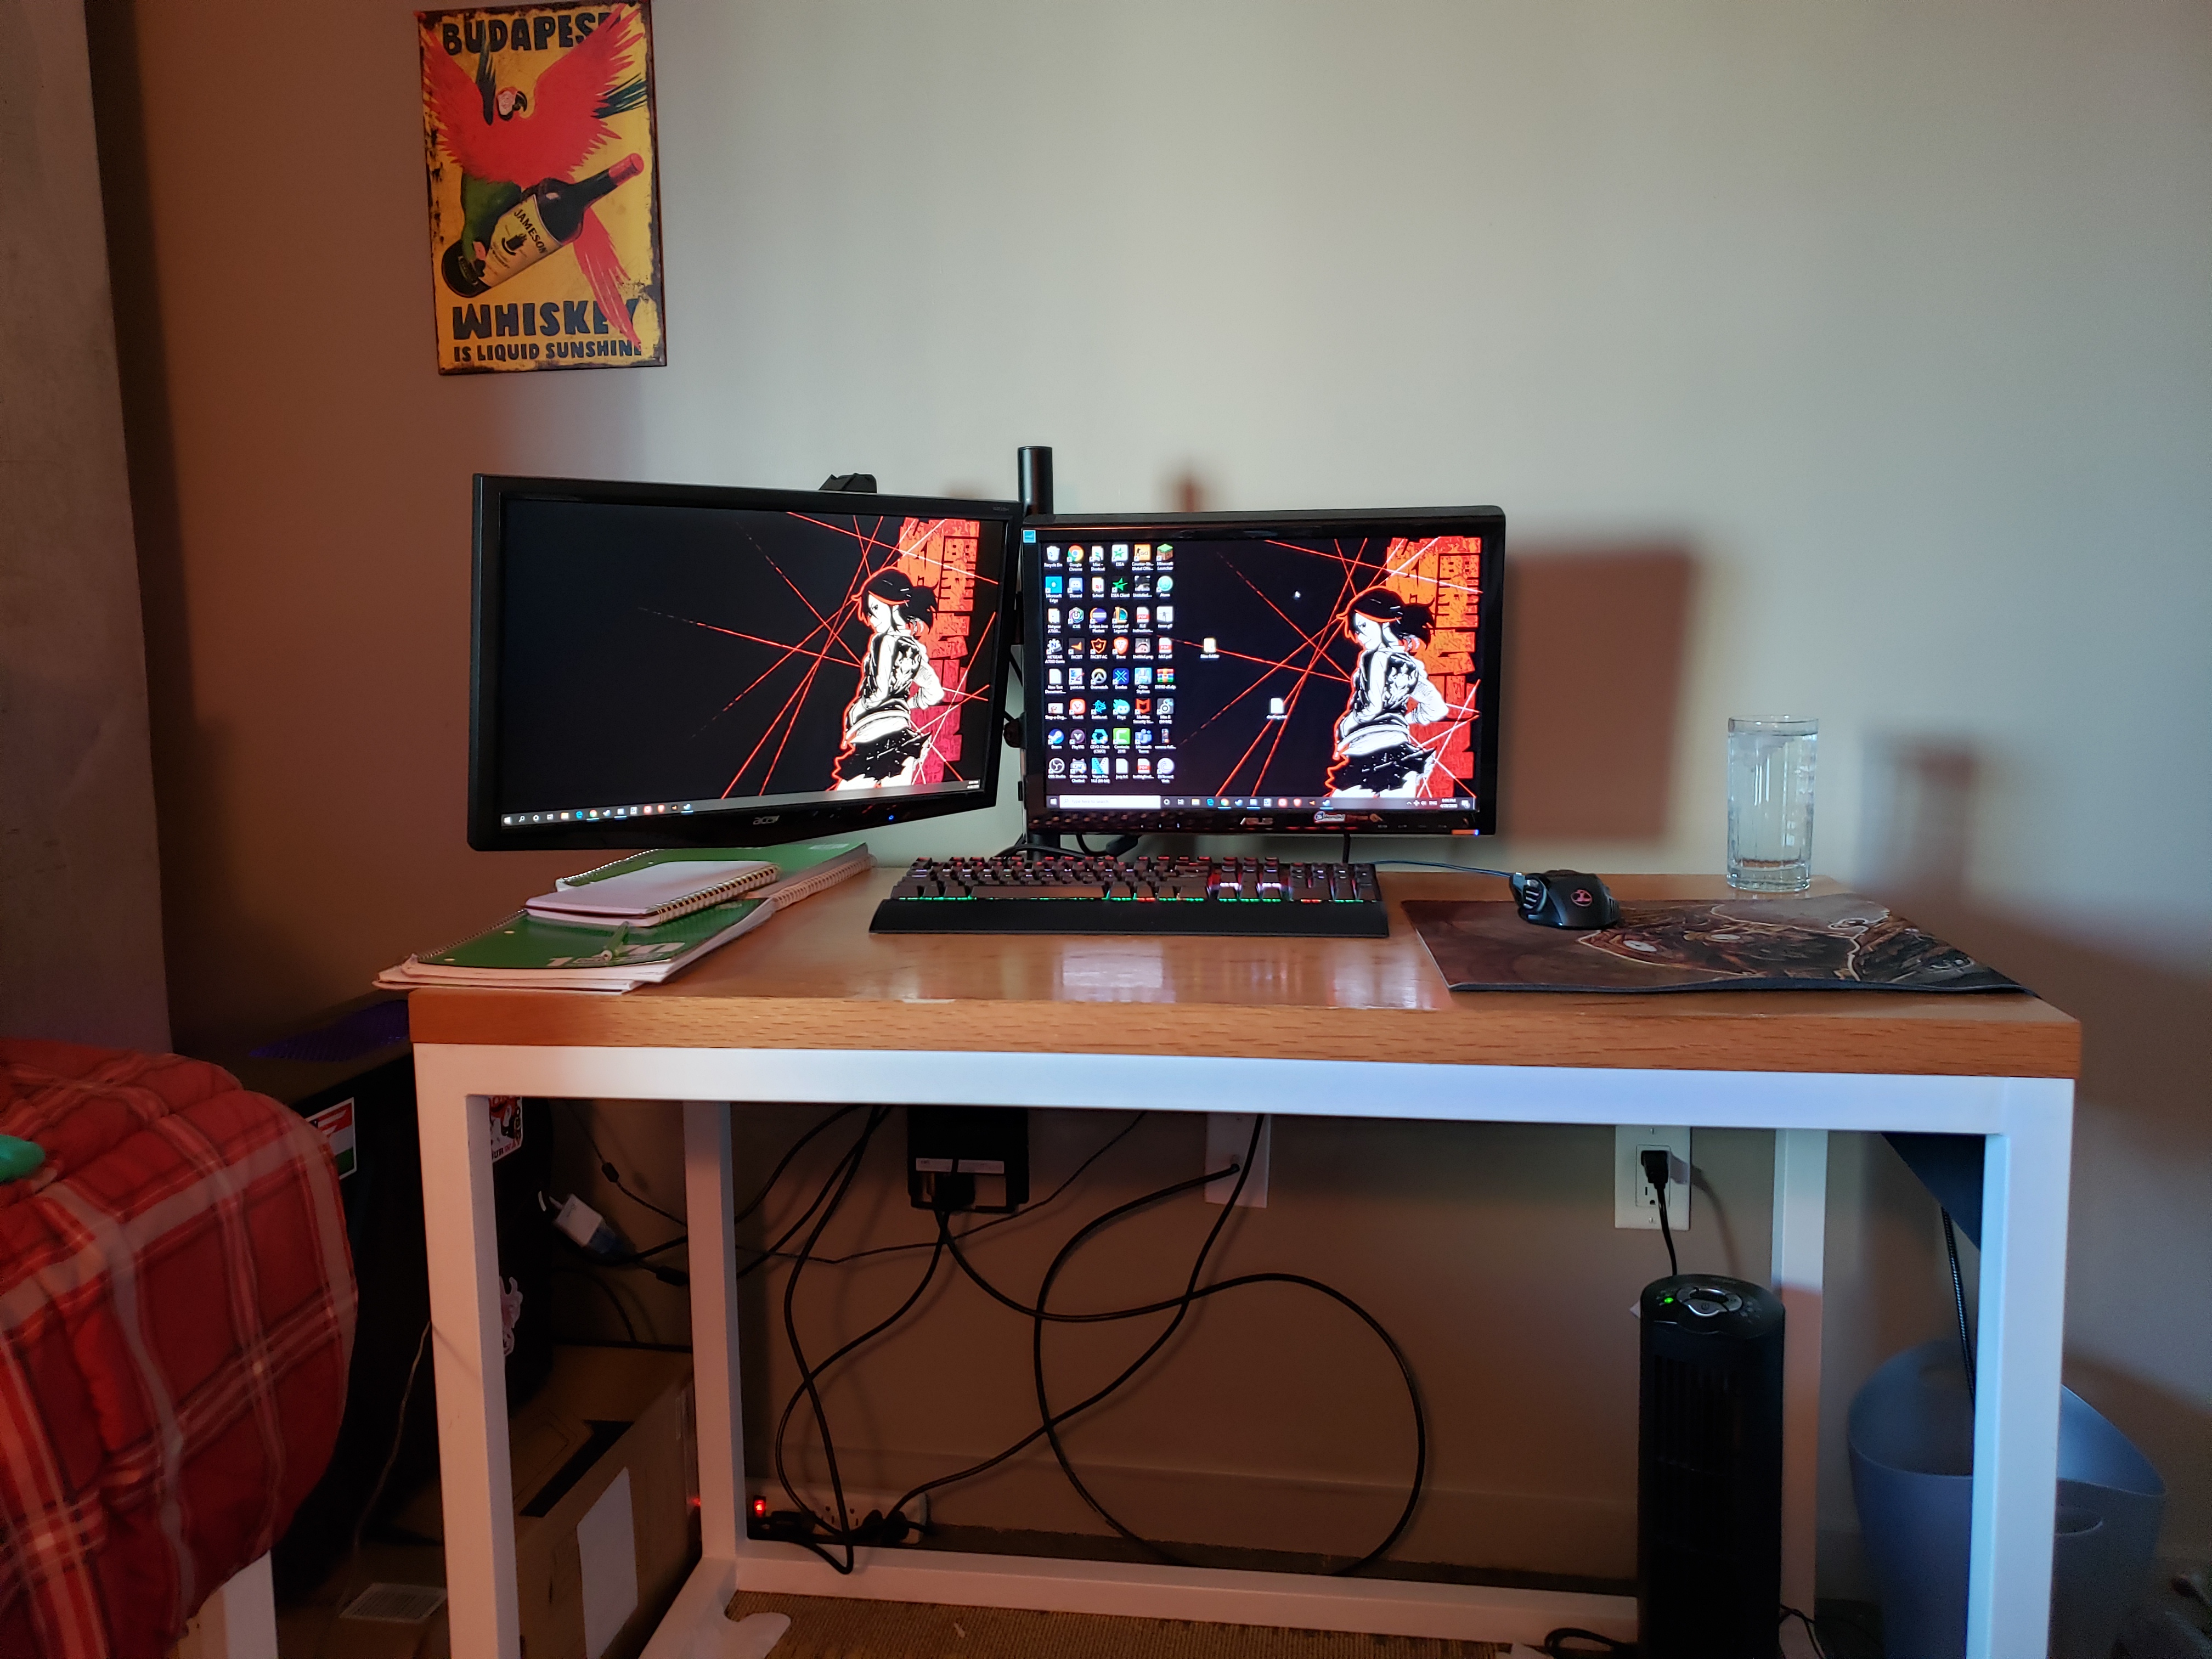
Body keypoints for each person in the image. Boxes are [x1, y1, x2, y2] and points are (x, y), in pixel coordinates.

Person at [1327, 588, 1446, 799]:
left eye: (1363, 626)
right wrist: (1405, 720)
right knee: (1399, 814)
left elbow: (1372, 707)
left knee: (1335, 812)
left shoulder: (1374, 658)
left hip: (1367, 751)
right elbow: (1437, 708)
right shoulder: (1411, 666)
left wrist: (1348, 723)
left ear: (1385, 621)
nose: (1359, 636)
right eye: (1357, 629)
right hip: (1401, 752)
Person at [833, 568, 944, 788]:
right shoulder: (915, 649)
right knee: (895, 800)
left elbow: (880, 692)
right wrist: (908, 704)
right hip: (902, 735)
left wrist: (860, 707)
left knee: (843, 799)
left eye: (875, 608)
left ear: (895, 605)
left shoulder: (883, 641)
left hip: (874, 736)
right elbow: (935, 693)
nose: (871, 619)